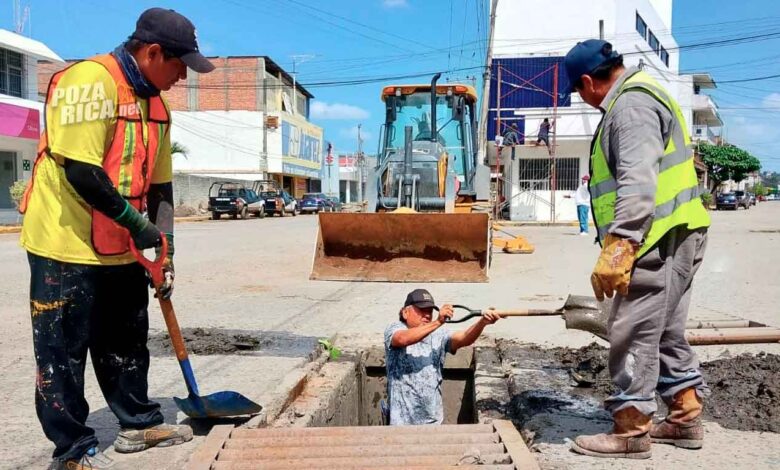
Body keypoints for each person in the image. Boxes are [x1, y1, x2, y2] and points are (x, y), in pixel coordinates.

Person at [18, 8, 215, 469]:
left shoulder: (157, 106)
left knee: (127, 339)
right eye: (179, 64)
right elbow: (82, 172)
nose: (183, 76)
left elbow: (162, 185)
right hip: (64, 243)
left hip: (121, 246)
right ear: (152, 53)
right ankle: (71, 449)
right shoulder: (89, 82)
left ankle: (138, 423)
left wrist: (164, 245)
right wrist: (137, 224)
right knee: (62, 351)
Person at [564, 39, 710, 459]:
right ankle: (684, 417)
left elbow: (637, 180)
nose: (583, 100)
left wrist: (622, 243)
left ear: (589, 81)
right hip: (677, 231)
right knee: (664, 330)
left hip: (654, 237)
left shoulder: (629, 108)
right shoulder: (646, 94)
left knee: (631, 330)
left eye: (579, 91)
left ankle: (630, 430)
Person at [384, 289, 501, 425]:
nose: (427, 315)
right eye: (421, 310)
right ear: (405, 312)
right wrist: (438, 322)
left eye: (429, 311)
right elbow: (402, 339)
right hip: (401, 422)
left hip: (432, 422)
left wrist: (482, 323)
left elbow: (464, 338)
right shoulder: (394, 328)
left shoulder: (438, 334)